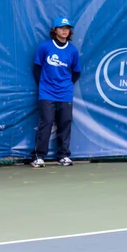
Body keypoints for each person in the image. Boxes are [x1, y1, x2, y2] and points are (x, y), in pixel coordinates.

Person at [32, 16, 81, 168]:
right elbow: (37, 69)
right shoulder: (44, 47)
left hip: (65, 93)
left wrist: (65, 85)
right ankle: (39, 156)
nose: (65, 31)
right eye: (62, 28)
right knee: (46, 123)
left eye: (67, 28)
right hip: (47, 93)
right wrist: (46, 85)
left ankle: (64, 155)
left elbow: (76, 72)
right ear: (55, 30)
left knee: (65, 123)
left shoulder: (72, 51)